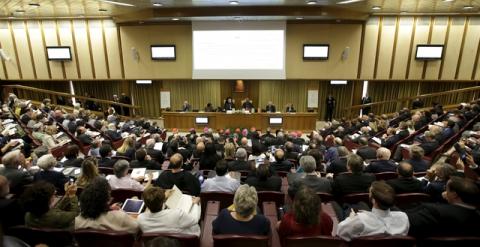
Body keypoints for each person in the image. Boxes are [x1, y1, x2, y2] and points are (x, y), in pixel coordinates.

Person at [407, 176, 480, 237]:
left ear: (454, 194)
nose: (445, 191)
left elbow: (406, 221)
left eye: (446, 188)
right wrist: (449, 198)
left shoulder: (434, 211)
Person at [336, 181, 409, 241]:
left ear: (373, 200)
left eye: (369, 192)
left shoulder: (360, 220)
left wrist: (351, 218)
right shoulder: (403, 218)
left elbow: (340, 232)